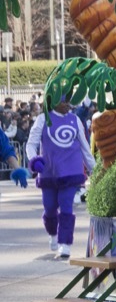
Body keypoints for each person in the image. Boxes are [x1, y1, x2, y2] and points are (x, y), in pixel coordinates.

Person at [27, 94, 95, 258]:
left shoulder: (75, 120)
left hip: (71, 171)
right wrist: (34, 160)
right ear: (53, 101)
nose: (67, 104)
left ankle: (65, 244)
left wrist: (95, 170)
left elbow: (85, 148)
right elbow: (31, 144)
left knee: (66, 207)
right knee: (49, 207)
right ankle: (53, 233)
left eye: (68, 101)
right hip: (49, 172)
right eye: (63, 101)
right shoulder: (43, 119)